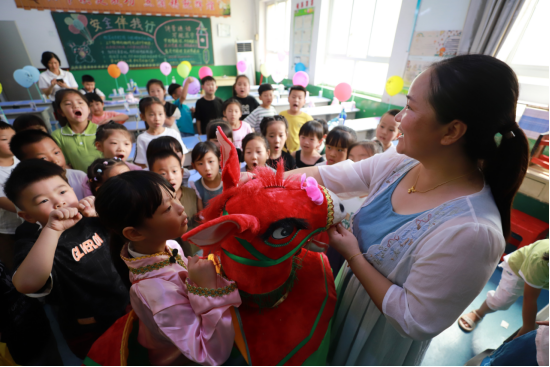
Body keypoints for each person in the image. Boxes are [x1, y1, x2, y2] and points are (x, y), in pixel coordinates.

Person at [280, 55, 529, 365]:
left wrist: (354, 255)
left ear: (452, 131)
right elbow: (331, 175)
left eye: (410, 107)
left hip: (373, 340)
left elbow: (414, 319)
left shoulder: (473, 231)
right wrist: (258, 184)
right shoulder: (401, 162)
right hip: (342, 300)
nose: (398, 117)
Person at [94, 171, 240, 366]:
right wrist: (207, 289)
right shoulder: (155, 293)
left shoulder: (170, 245)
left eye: (175, 197)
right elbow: (212, 353)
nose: (181, 208)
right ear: (135, 233)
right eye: (168, 208)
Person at [5, 160, 129, 359]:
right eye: (43, 201)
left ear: (73, 190)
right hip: (89, 328)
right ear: (27, 215)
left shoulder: (93, 217)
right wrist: (52, 230)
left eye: (62, 192)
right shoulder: (32, 240)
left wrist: (104, 214)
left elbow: (132, 236)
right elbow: (25, 284)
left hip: (127, 308)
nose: (59, 202)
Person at [459, 240, 549, 337]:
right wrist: (527, 327)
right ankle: (479, 313)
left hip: (541, 275)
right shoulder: (540, 260)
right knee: (500, 301)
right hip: (517, 270)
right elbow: (530, 298)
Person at [9, 129, 87, 201]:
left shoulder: (79, 176)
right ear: (25, 162)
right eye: (43, 158)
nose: (55, 161)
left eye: (56, 152)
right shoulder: (26, 190)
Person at [51, 89, 103, 172]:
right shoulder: (57, 135)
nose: (76, 106)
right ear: (61, 112)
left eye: (80, 102)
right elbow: (64, 164)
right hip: (80, 183)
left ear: (88, 109)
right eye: (68, 103)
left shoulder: (102, 130)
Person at [134, 97, 187, 169]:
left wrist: (178, 167)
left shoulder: (173, 133)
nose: (157, 118)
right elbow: (140, 163)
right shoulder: (142, 138)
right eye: (152, 114)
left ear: (165, 114)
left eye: (160, 114)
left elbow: (182, 153)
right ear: (143, 117)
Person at [0, 122, 22, 273]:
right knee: (14, 266)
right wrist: (33, 208)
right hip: (8, 230)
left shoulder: (22, 160)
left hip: (32, 223)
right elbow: (3, 201)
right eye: (3, 139)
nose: (11, 142)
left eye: (13, 137)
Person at [190, 142, 223, 211]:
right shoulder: (197, 187)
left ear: (220, 161)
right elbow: (201, 215)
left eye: (210, 161)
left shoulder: (228, 180)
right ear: (194, 166)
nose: (207, 168)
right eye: (200, 163)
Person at [280, 86, 313, 153]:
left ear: (304, 101)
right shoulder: (281, 115)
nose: (296, 100)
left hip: (300, 152)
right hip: (283, 151)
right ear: (288, 99)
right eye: (293, 97)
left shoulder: (308, 119)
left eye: (300, 98)